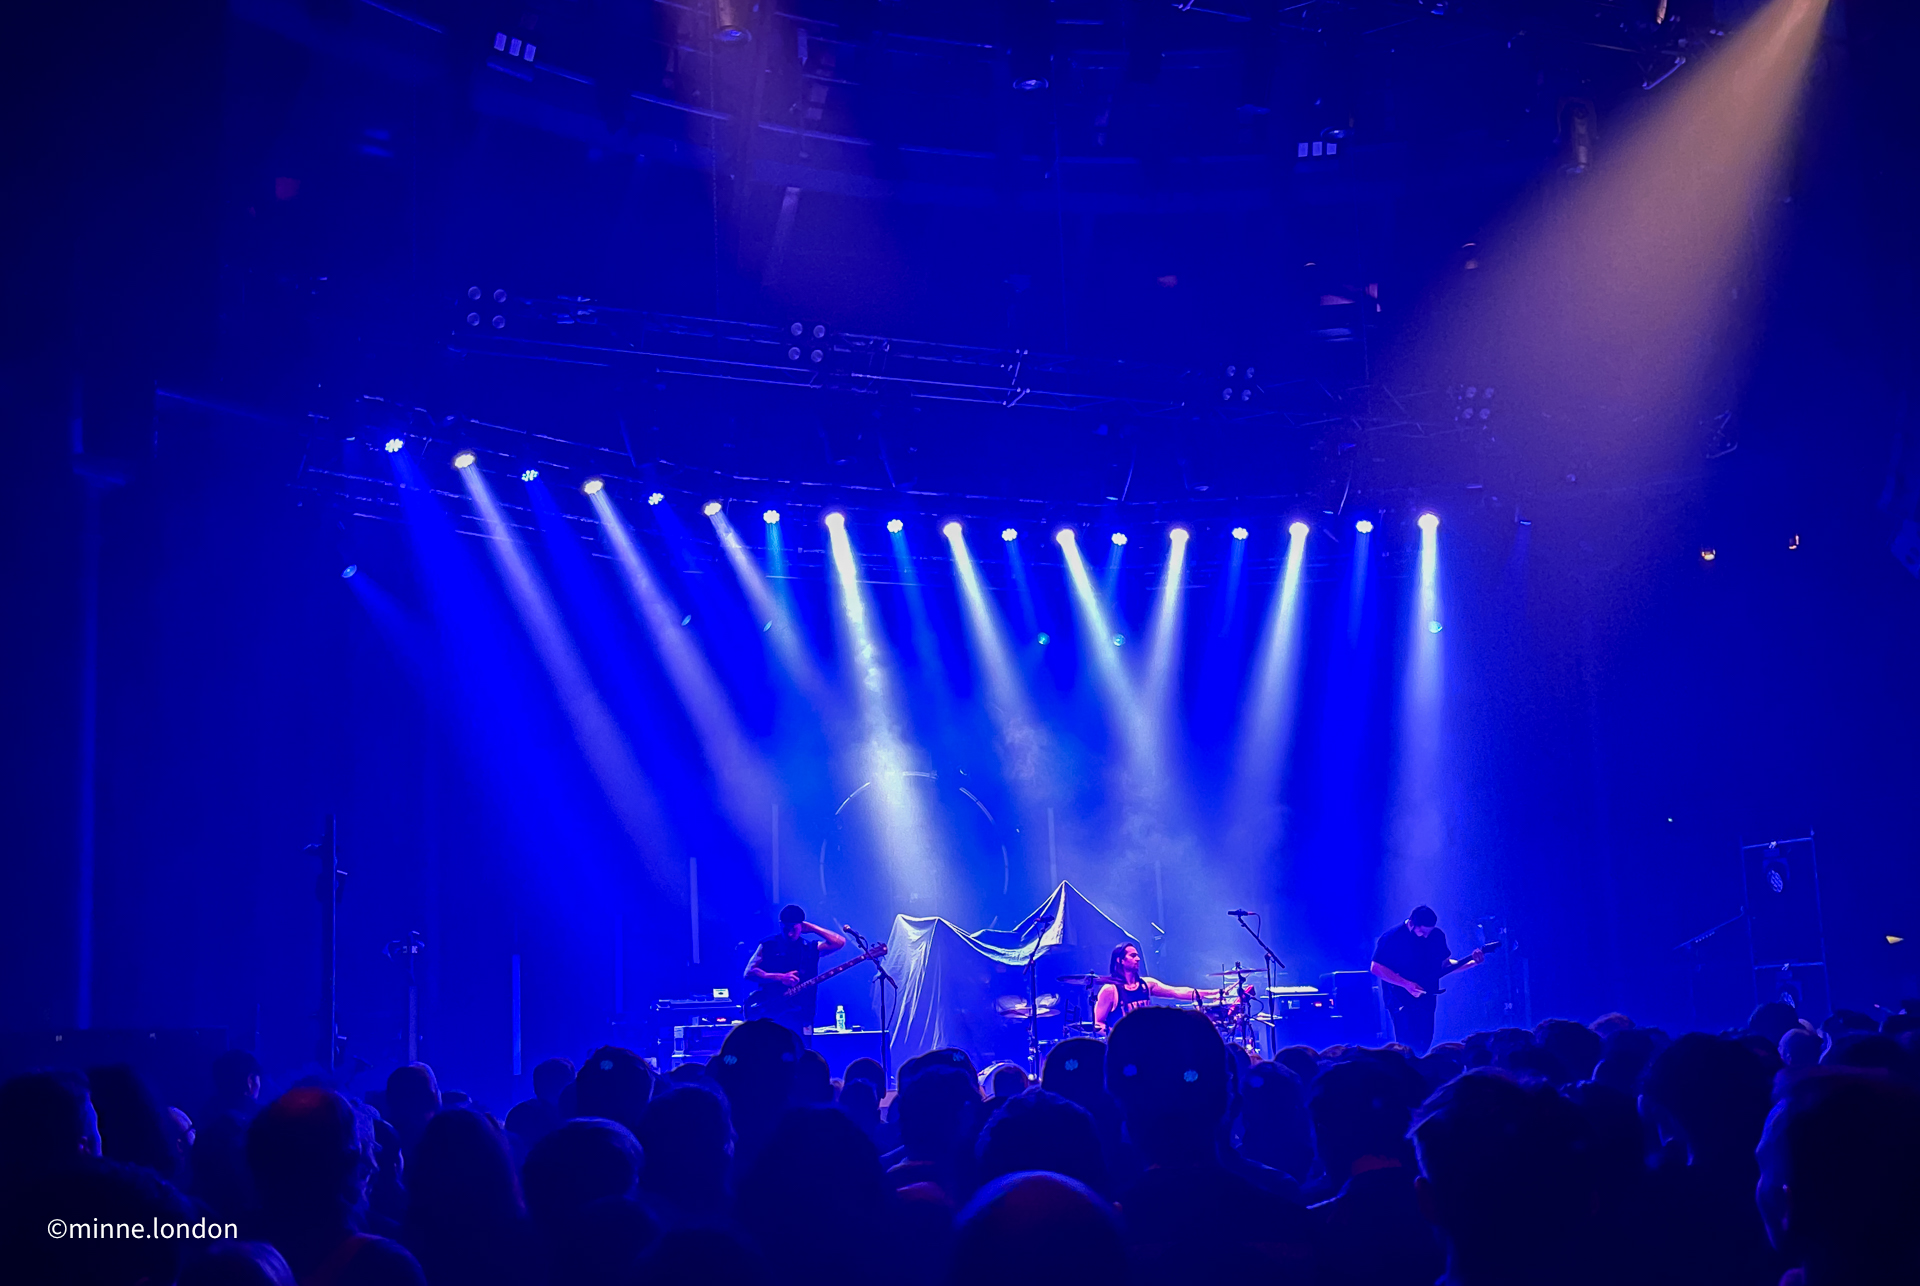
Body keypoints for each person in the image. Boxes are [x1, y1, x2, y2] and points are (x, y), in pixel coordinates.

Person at [1370, 906, 1484, 1056]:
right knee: (1407, 1043)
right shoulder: (1392, 937)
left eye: (1428, 932)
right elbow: (1376, 967)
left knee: (1425, 1040)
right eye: (1422, 932)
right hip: (1400, 998)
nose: (1425, 936)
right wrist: (1406, 984)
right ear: (1411, 923)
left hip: (1427, 995)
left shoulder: (1436, 936)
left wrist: (1472, 962)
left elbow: (1446, 965)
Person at [1092, 942, 1244, 1035]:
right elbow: (1097, 1023)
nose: (1138, 959)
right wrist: (1117, 1036)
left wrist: (1212, 994)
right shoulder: (1110, 990)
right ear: (1120, 960)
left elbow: (1177, 992)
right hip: (1123, 1047)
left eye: (1137, 955)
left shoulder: (1146, 984)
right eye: (1132, 956)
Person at [742, 904, 846, 1033]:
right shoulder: (768, 945)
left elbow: (839, 942)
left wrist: (812, 928)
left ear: (801, 927)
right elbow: (749, 973)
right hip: (772, 1010)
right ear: (781, 925)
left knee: (802, 1048)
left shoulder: (810, 948)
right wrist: (780, 977)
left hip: (802, 1013)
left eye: (794, 928)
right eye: (786, 929)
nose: (790, 933)